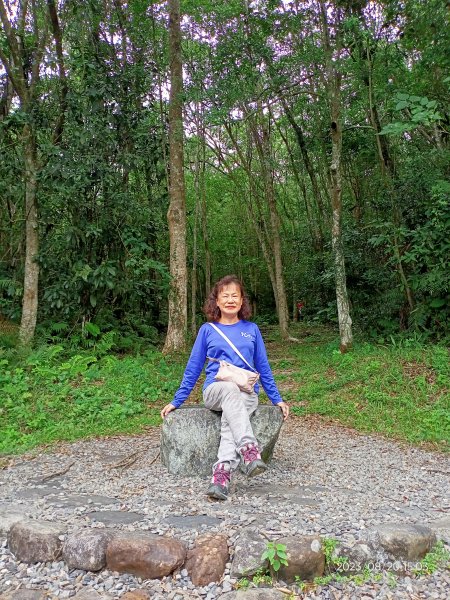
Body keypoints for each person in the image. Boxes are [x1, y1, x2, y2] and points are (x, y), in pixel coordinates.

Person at [161, 275, 289, 500]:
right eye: (225, 296)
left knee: (232, 421)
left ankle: (221, 477)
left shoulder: (252, 329)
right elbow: (193, 367)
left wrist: (277, 398)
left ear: (242, 302)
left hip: (247, 393)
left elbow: (263, 367)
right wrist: (176, 401)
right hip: (216, 391)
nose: (230, 300)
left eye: (235, 296)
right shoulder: (207, 330)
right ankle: (249, 450)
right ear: (217, 302)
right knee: (230, 390)